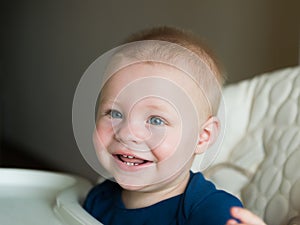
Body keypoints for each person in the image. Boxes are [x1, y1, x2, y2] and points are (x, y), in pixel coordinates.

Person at [82, 26, 264, 225]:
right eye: (115, 113)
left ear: (202, 136)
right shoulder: (97, 199)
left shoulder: (214, 213)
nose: (127, 133)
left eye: (156, 120)